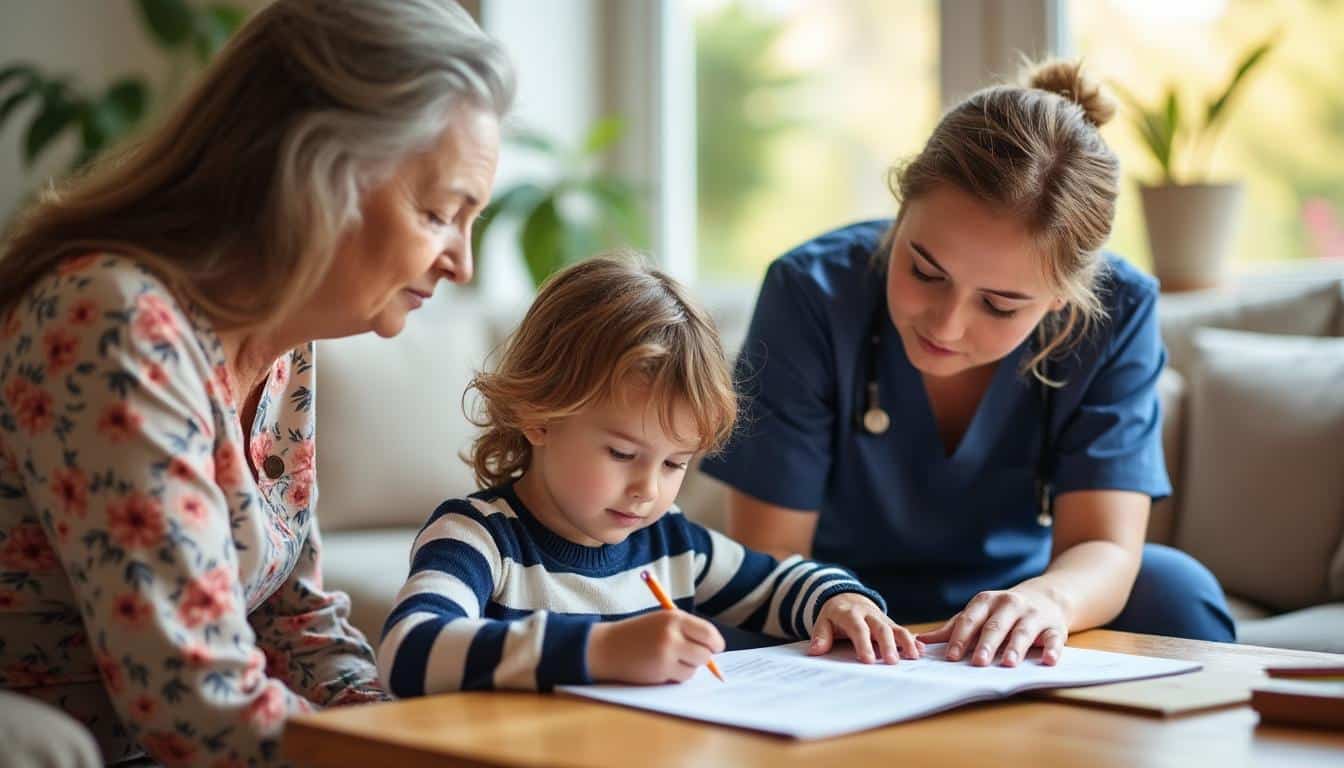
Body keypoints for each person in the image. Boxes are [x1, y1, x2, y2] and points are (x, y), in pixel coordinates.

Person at [0, 0, 513, 764]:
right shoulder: (114, 322)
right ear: (318, 174)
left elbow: (293, 618)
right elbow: (193, 702)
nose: (460, 262)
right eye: (441, 212)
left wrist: (397, 731)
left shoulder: (281, 345)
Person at [699, 59, 1237, 669]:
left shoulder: (1119, 311)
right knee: (703, 631)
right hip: (830, 606)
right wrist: (835, 604)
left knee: (1175, 589)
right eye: (925, 271)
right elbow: (771, 553)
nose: (946, 324)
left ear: (1062, 299)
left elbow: (1103, 545)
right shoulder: (811, 291)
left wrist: (1047, 602)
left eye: (1001, 305)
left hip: (1019, 596)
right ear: (901, 212)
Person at [377, 256, 909, 696]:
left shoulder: (671, 543)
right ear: (540, 415)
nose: (648, 490)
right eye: (622, 453)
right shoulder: (478, 537)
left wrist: (841, 601)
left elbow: (776, 585)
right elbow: (407, 652)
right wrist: (601, 650)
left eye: (675, 463)